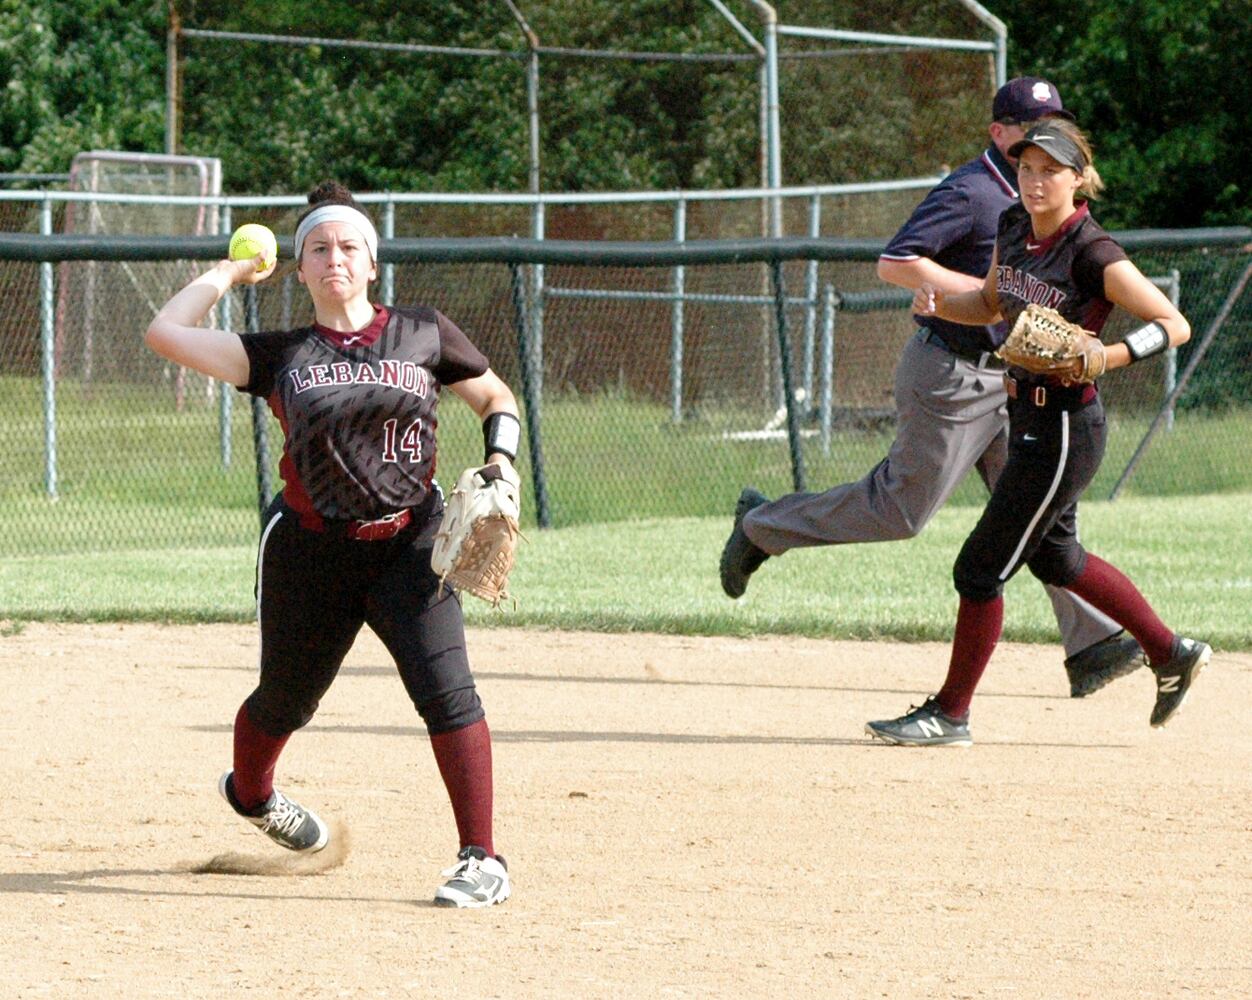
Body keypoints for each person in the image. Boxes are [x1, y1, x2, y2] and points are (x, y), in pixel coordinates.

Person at [144, 181, 521, 907]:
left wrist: (500, 460)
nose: (334, 258)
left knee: (448, 693)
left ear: (372, 264)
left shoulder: (423, 331)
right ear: (301, 268)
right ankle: (253, 796)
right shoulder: (280, 352)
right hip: (311, 552)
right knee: (285, 701)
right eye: (317, 248)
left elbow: (495, 398)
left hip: (411, 542)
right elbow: (166, 333)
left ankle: (483, 858)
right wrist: (229, 272)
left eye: (348, 246)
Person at [719, 77, 1144, 698]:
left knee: (1033, 519)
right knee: (900, 511)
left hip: (1015, 381)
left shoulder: (1042, 209)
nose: (1043, 140)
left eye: (1054, 125)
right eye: (1028, 129)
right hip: (953, 376)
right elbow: (897, 260)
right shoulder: (974, 193)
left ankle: (1093, 641)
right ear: (999, 135)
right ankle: (763, 524)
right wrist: (965, 296)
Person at [865, 119, 1211, 745]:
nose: (1034, 180)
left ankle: (950, 713)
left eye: (1050, 170)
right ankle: (1170, 651)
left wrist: (1105, 357)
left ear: (1079, 180)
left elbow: (1173, 322)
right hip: (1022, 410)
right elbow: (992, 305)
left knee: (978, 569)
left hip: (1063, 428)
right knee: (1057, 556)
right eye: (1026, 167)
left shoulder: (1093, 252)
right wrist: (939, 303)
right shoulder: (1013, 228)